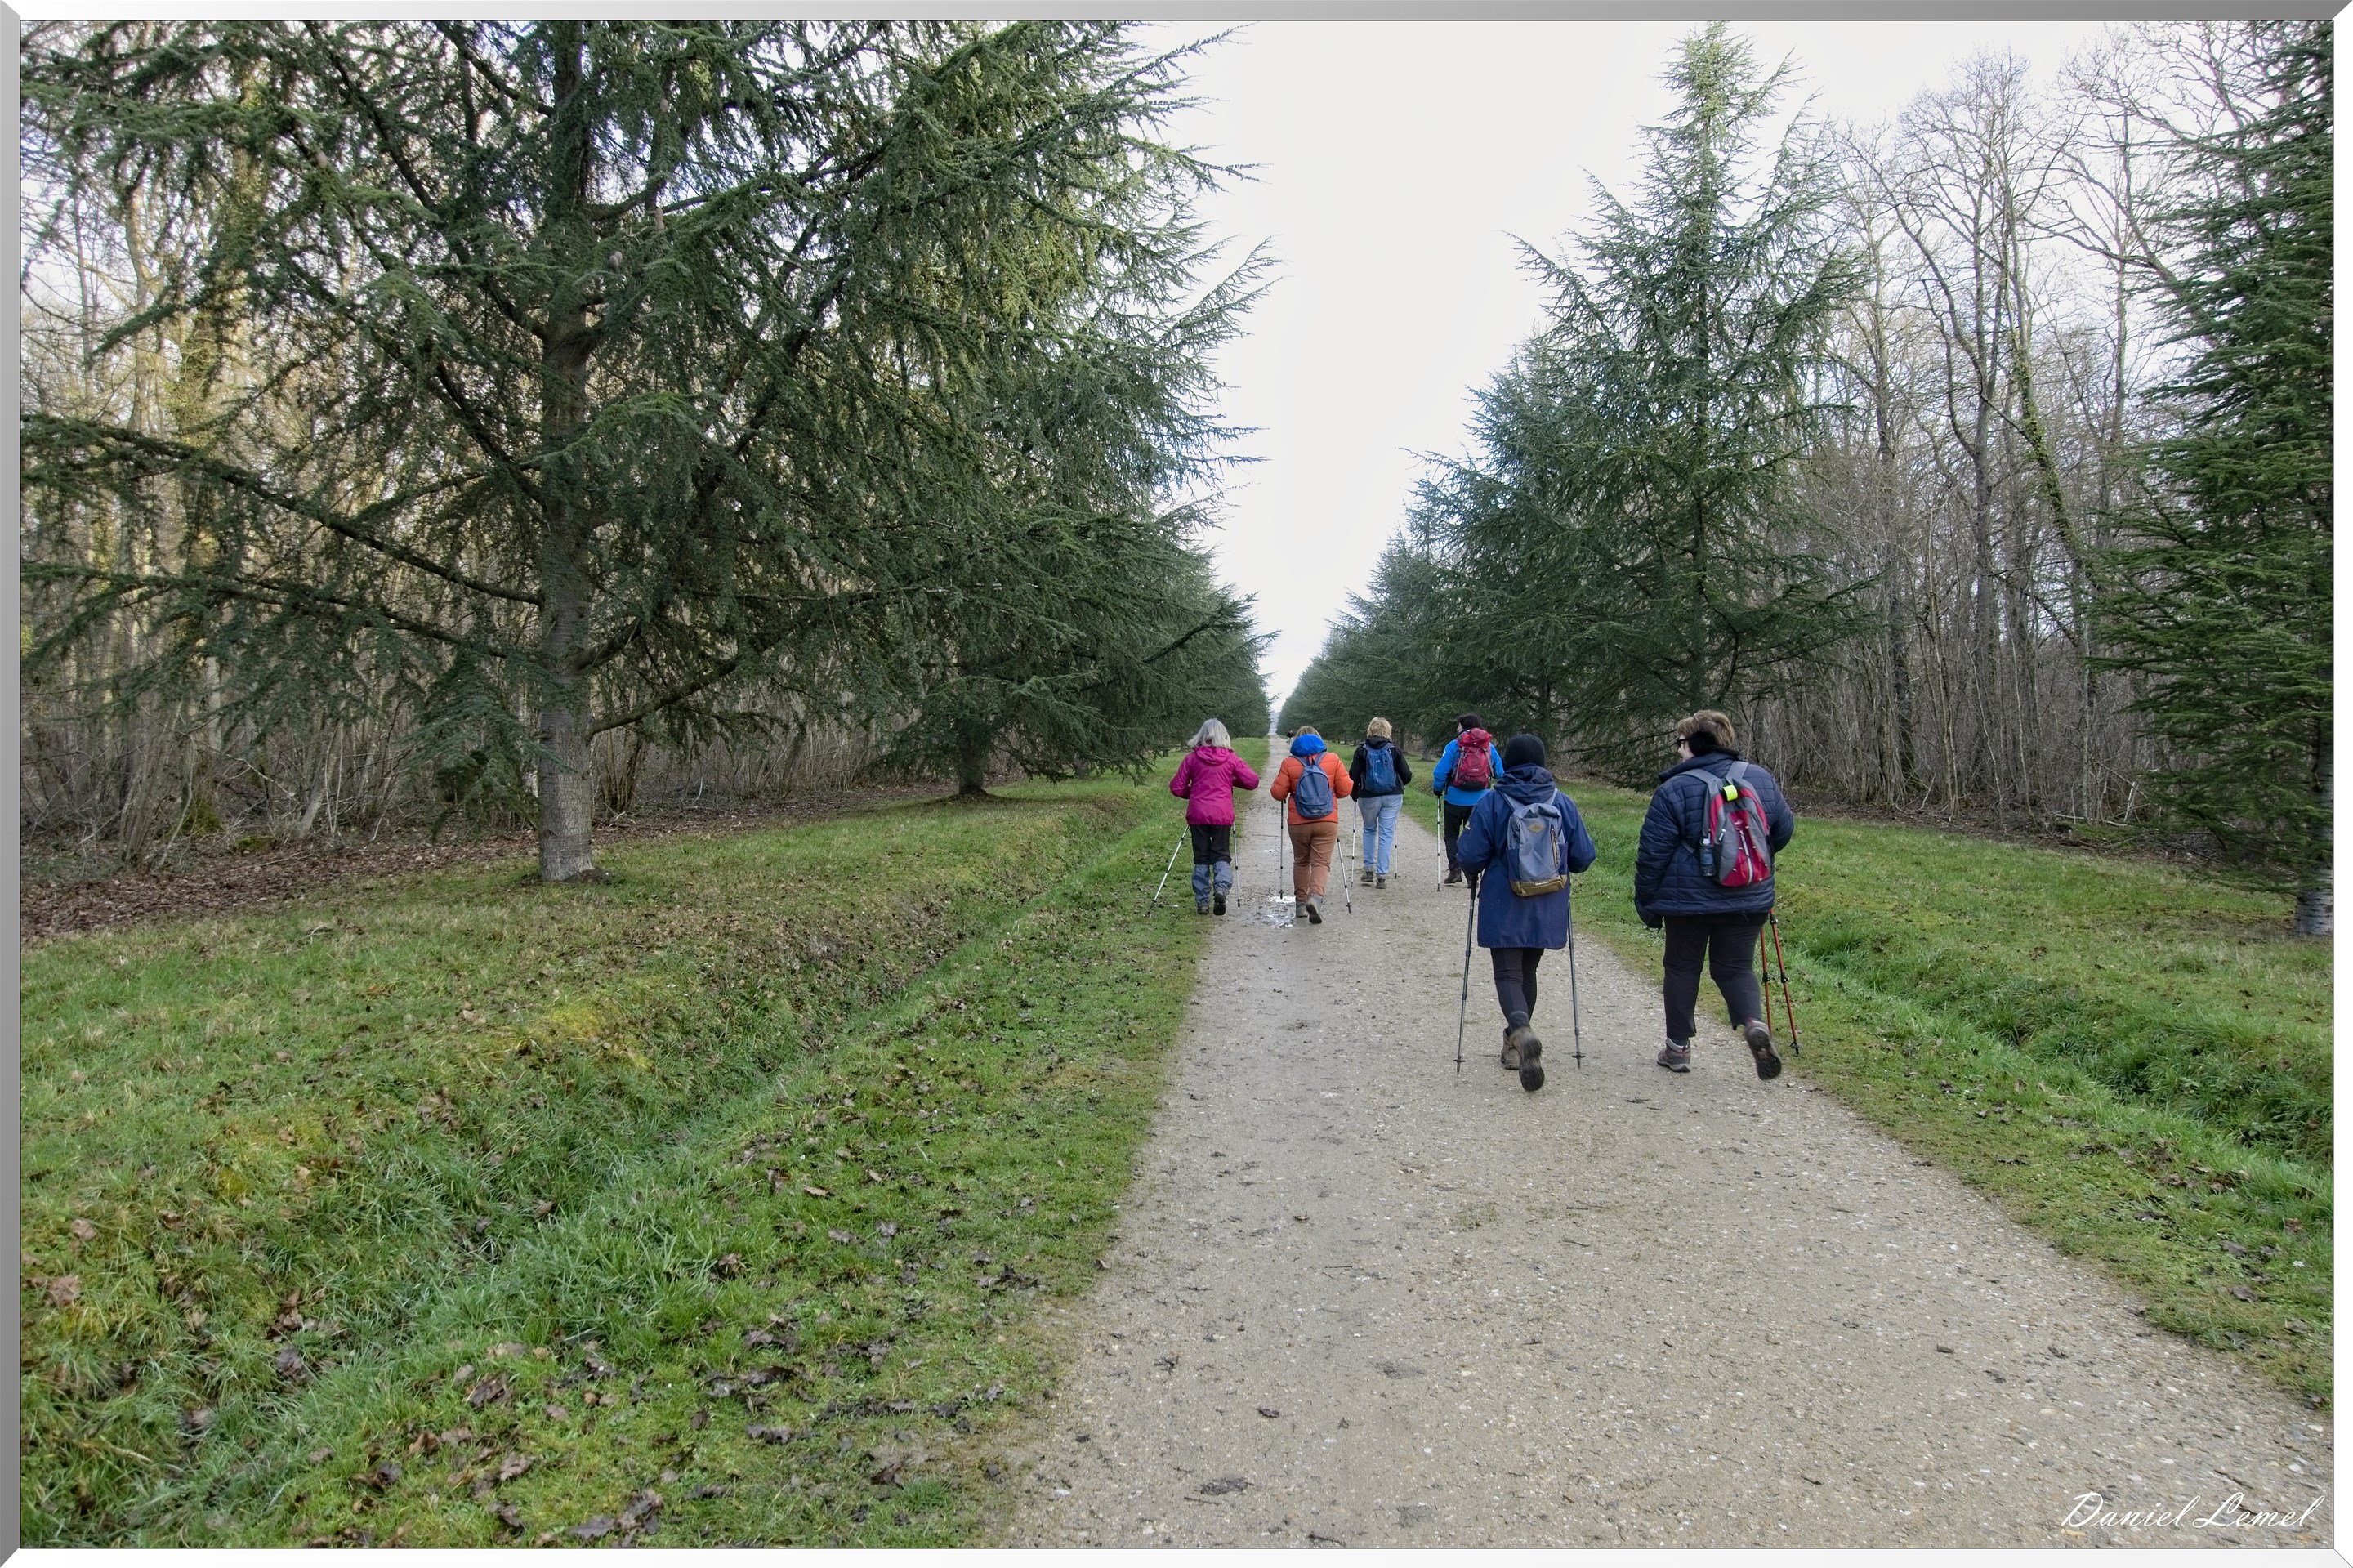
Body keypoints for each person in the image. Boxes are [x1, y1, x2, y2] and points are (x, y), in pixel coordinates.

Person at [1632, 709, 1796, 1079]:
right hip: (1750, 895)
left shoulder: (1674, 788)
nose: (1678, 752)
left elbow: (1652, 853)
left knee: (1682, 967)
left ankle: (1677, 1050)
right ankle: (1754, 1023)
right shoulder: (1760, 779)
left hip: (1688, 902)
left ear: (1693, 744)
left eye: (1680, 743)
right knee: (1736, 967)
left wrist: (1646, 899)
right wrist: (1747, 860)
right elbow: (1783, 831)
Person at [1456, 734, 1597, 1092]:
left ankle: (1519, 1031)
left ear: (1510, 763)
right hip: (1547, 899)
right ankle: (1516, 1041)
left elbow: (1470, 856)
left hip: (1505, 896)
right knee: (1527, 970)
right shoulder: (1561, 802)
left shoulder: (1492, 801)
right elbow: (1583, 857)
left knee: (1508, 973)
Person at [1168, 718, 1261, 915]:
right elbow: (1252, 781)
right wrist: (1229, 781)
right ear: (1223, 736)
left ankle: (1202, 902)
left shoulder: (1191, 759)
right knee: (1221, 853)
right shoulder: (1230, 758)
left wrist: (1194, 793)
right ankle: (1221, 887)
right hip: (1222, 814)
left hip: (1198, 814)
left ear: (1202, 735)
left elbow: (1176, 787)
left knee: (1201, 857)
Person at [1270, 726, 1353, 924]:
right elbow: (1346, 789)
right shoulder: (1332, 759)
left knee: (1301, 861)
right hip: (1327, 819)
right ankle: (1315, 898)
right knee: (1321, 862)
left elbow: (1277, 794)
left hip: (1298, 821)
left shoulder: (1289, 763)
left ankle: (1300, 905)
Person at [1431, 713, 1505, 885]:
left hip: (1455, 799)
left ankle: (1455, 871)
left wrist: (1438, 789)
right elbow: (1500, 772)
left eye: (1458, 726)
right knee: (1474, 835)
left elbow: (1440, 772)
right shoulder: (1488, 747)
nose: (1456, 729)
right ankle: (1472, 876)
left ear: (1462, 726)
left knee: (1451, 835)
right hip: (1481, 801)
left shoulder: (1454, 746)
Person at [1348, 717, 1413, 889]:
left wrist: (1354, 793)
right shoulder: (1394, 749)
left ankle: (1368, 870)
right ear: (1388, 731)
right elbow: (1407, 775)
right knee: (1386, 834)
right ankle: (1382, 875)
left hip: (1368, 796)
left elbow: (1353, 776)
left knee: (1369, 830)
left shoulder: (1361, 750)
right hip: (1392, 796)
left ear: (1370, 730)